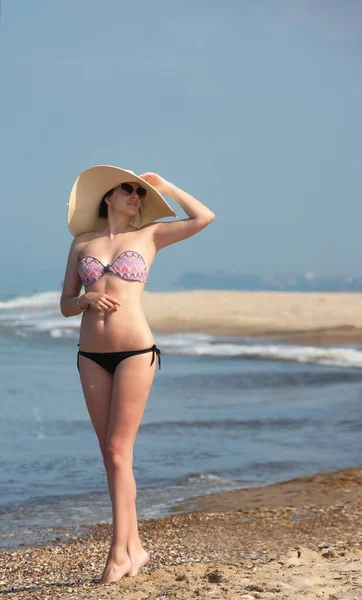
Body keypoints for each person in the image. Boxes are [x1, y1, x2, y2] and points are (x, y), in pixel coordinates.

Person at [60, 165, 215, 585]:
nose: (136, 197)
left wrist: (164, 186)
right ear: (107, 198)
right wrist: (86, 299)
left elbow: (204, 217)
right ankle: (135, 549)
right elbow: (65, 304)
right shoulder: (82, 243)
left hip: (135, 352)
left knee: (117, 449)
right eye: (128, 191)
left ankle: (118, 553)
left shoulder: (150, 236)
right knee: (111, 456)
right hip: (91, 355)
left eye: (140, 193)